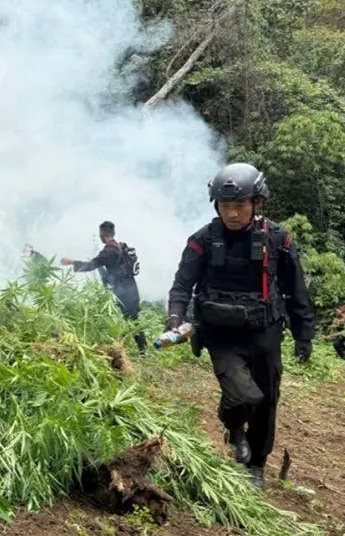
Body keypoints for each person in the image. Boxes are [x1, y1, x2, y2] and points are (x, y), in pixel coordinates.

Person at [165, 163, 315, 487]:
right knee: (244, 396)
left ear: (256, 203)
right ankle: (234, 428)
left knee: (267, 399)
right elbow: (181, 287)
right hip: (221, 335)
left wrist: (304, 336)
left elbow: (296, 290)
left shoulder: (278, 240)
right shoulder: (202, 241)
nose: (232, 214)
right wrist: (175, 320)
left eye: (239, 206)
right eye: (225, 206)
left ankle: (257, 465)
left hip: (265, 332)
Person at [61, 221, 146, 354]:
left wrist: (71, 262)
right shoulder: (120, 246)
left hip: (123, 292)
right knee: (132, 320)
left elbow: (92, 264)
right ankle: (135, 350)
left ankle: (140, 352)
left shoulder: (110, 251)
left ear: (102, 234)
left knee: (131, 321)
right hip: (130, 289)